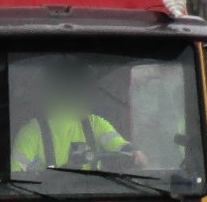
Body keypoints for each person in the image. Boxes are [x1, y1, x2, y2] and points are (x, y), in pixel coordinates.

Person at [10, 56, 146, 173]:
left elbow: (17, 173)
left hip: (66, 197)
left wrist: (133, 152)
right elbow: (122, 147)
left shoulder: (31, 131)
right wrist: (135, 152)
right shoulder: (95, 124)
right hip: (82, 196)